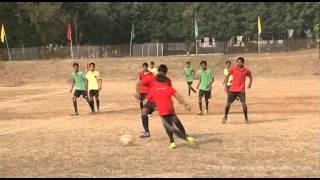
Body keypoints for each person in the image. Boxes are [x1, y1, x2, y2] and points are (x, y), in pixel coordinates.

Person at [146, 65, 195, 149]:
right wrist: (184, 104)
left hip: (162, 109)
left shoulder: (154, 87)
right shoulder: (167, 85)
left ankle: (173, 142)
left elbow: (147, 101)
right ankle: (185, 135)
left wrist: (152, 108)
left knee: (169, 127)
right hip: (170, 107)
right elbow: (177, 95)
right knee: (177, 121)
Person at [135, 64, 172, 138]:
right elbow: (138, 83)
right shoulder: (152, 77)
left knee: (169, 118)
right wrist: (137, 92)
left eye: (163, 73)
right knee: (144, 111)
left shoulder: (167, 80)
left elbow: (169, 92)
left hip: (161, 101)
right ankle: (147, 132)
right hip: (152, 100)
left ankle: (179, 133)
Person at [222, 57, 253, 124]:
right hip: (232, 90)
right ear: (237, 62)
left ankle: (246, 119)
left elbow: (250, 76)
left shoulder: (246, 70)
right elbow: (227, 76)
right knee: (228, 104)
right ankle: (225, 117)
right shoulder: (233, 69)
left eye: (241, 62)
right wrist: (225, 85)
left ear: (243, 62)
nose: (239, 63)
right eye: (238, 62)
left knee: (244, 104)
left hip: (241, 90)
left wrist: (250, 83)